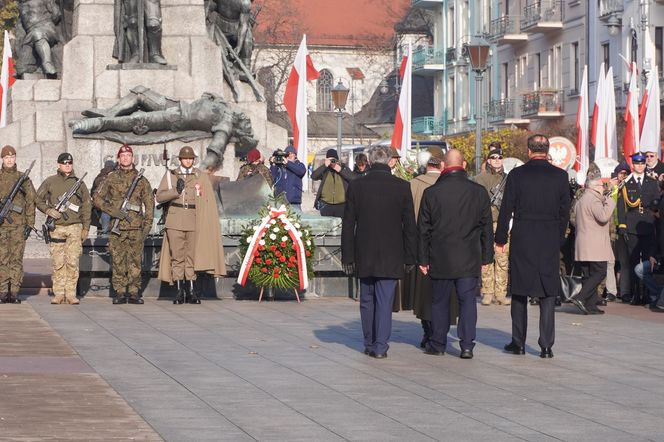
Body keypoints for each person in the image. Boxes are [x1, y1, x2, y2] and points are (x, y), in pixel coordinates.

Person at [495, 134, 571, 359]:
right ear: (547, 151)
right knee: (548, 293)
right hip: (548, 237)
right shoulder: (560, 176)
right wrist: (558, 238)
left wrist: (500, 238)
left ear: (529, 151)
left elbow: (506, 208)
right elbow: (564, 211)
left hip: (523, 236)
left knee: (519, 290)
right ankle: (546, 345)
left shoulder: (517, 175)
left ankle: (518, 342)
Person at [341, 145, 417, 359]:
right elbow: (409, 225)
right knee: (385, 300)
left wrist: (347, 255)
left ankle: (369, 341)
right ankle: (381, 345)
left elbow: (348, 224)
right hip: (392, 253)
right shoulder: (402, 187)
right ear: (389, 161)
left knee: (367, 299)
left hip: (364, 251)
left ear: (371, 161)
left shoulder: (357, 186)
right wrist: (411, 256)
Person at [418, 149, 493, 359]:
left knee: (440, 301)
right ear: (465, 164)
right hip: (469, 256)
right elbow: (486, 227)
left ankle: (438, 343)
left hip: (439, 256)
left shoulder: (432, 193)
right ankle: (467, 344)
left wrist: (422, 259)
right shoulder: (478, 192)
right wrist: (487, 257)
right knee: (467, 301)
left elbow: (423, 229)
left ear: (443, 166)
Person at [70, 88, 259, 171]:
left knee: (138, 119)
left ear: (239, 128)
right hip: (173, 105)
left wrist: (199, 170)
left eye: (246, 123)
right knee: (140, 92)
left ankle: (99, 124)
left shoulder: (225, 123)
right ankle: (109, 113)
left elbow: (215, 150)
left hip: (175, 118)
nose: (244, 117)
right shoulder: (223, 104)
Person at [156, 146, 226, 304]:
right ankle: (179, 290)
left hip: (194, 219)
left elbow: (207, 199)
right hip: (175, 219)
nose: (188, 161)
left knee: (191, 256)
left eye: (191, 158)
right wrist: (175, 191)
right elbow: (159, 197)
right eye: (185, 158)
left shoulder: (200, 176)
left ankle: (192, 290)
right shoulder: (171, 175)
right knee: (177, 257)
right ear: (180, 159)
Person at [93, 144, 154, 304]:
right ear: (119, 158)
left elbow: (149, 204)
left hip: (135, 228)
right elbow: (97, 198)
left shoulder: (141, 180)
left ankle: (134, 292)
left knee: (135, 262)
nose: (126, 158)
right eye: (123, 155)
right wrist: (113, 211)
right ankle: (120, 292)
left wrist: (147, 227)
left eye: (128, 155)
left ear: (132, 158)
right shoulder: (111, 178)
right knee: (118, 261)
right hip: (117, 228)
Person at [36, 153, 92, 305]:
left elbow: (87, 205)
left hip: (75, 227)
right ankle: (59, 293)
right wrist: (48, 210)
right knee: (58, 262)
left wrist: (86, 227)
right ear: (58, 165)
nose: (67, 165)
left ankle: (71, 294)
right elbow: (37, 199)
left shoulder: (79, 184)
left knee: (73, 261)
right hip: (57, 227)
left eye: (70, 163)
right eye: (64, 163)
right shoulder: (50, 181)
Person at [409, 146, 445, 348]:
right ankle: (438, 330)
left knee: (423, 292)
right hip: (444, 246)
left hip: (419, 245)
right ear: (441, 163)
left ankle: (427, 330)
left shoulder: (414, 184)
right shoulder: (447, 184)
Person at [570, 168, 617, 315]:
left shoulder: (583, 198)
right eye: (601, 185)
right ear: (595, 186)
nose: (603, 188)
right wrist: (611, 200)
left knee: (588, 274)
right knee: (600, 272)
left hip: (583, 243)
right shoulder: (594, 199)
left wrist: (608, 192)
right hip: (595, 245)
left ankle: (590, 305)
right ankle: (581, 297)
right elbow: (603, 216)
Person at [616, 152, 659, 304]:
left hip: (647, 223)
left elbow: (656, 201)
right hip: (632, 225)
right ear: (633, 165)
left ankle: (647, 294)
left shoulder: (652, 181)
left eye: (642, 163)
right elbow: (621, 206)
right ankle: (635, 294)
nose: (640, 166)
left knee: (647, 261)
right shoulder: (626, 183)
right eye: (637, 163)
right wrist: (622, 225)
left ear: (645, 164)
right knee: (633, 260)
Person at [474, 142, 511, 306]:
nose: (497, 160)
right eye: (493, 157)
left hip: (502, 223)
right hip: (485, 223)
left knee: (502, 259)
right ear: (488, 160)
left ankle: (501, 293)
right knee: (486, 258)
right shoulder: (479, 179)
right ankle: (487, 292)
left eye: (499, 157)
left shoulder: (508, 179)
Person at [0, 145, 36, 304]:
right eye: (6, 157)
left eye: (12, 157)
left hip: (18, 226)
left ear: (15, 158)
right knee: (2, 259)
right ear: (2, 159)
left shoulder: (23, 179)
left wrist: (30, 223)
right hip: (1, 226)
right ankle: (2, 291)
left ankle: (14, 292)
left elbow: (31, 201)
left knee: (16, 259)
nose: (9, 160)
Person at [15, 0, 62, 77]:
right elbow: (21, 28)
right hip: (30, 35)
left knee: (37, 33)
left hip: (47, 28)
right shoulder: (21, 5)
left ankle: (47, 63)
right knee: (21, 69)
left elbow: (56, 14)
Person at [312, 149, 356, 217]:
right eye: (330, 160)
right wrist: (324, 166)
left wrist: (340, 170)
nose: (331, 162)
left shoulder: (343, 168)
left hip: (341, 205)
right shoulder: (325, 170)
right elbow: (314, 176)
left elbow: (353, 179)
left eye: (333, 160)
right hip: (326, 204)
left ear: (337, 160)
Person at [270, 146, 306, 210]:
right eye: (287, 155)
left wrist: (288, 163)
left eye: (291, 154)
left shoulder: (299, 165)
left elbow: (301, 171)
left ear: (295, 155)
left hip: (294, 203)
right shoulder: (280, 167)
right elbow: (272, 178)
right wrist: (273, 165)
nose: (289, 156)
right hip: (280, 203)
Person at [91, 160, 117, 236]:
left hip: (101, 209)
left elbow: (92, 192)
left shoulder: (98, 177)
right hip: (107, 207)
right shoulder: (106, 177)